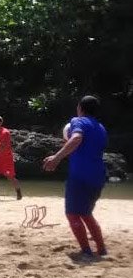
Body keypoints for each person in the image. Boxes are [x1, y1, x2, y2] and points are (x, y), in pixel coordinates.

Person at [43, 95, 108, 261]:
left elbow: (77, 138)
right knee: (86, 213)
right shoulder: (101, 128)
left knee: (72, 213)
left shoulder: (78, 121)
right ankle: (101, 249)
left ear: (80, 108)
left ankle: (86, 251)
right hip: (98, 176)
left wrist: (56, 157)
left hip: (81, 176)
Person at [0, 116, 22, 200]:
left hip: (6, 158)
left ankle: (19, 193)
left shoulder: (5, 132)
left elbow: (4, 147)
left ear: (0, 122)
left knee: (10, 177)